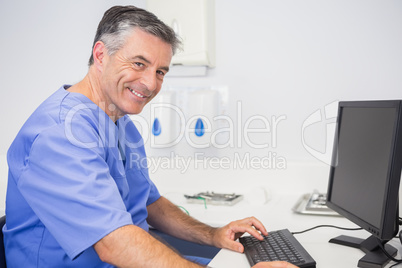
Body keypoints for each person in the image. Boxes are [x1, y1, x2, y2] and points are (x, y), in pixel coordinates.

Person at [3, 5, 298, 268]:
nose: (150, 83)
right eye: (139, 63)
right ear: (101, 55)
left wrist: (213, 234)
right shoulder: (60, 133)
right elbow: (113, 245)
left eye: (160, 71)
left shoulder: (120, 121)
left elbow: (147, 202)